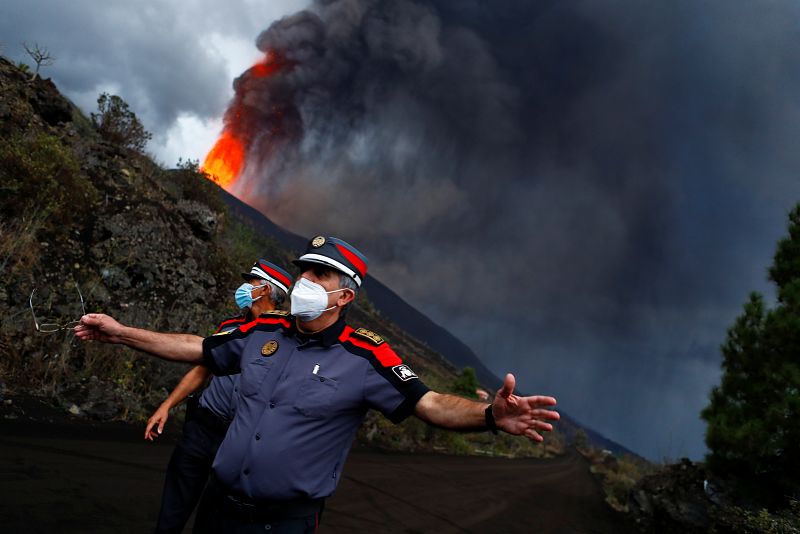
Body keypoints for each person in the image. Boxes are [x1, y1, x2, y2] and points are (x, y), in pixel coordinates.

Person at [76, 236, 559, 534]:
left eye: (319, 273)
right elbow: (199, 348)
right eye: (303, 269)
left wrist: (490, 416)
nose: (303, 279)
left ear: (344, 295)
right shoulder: (263, 330)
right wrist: (122, 333)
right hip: (217, 509)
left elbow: (428, 403)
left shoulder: (366, 354)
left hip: (282, 524)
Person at [146, 259, 293, 534]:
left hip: (237, 440)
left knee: (215, 519)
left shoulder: (287, 340)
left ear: (264, 290)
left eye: (251, 283)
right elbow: (202, 370)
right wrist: (167, 405)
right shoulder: (229, 326)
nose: (243, 288)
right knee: (173, 510)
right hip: (201, 427)